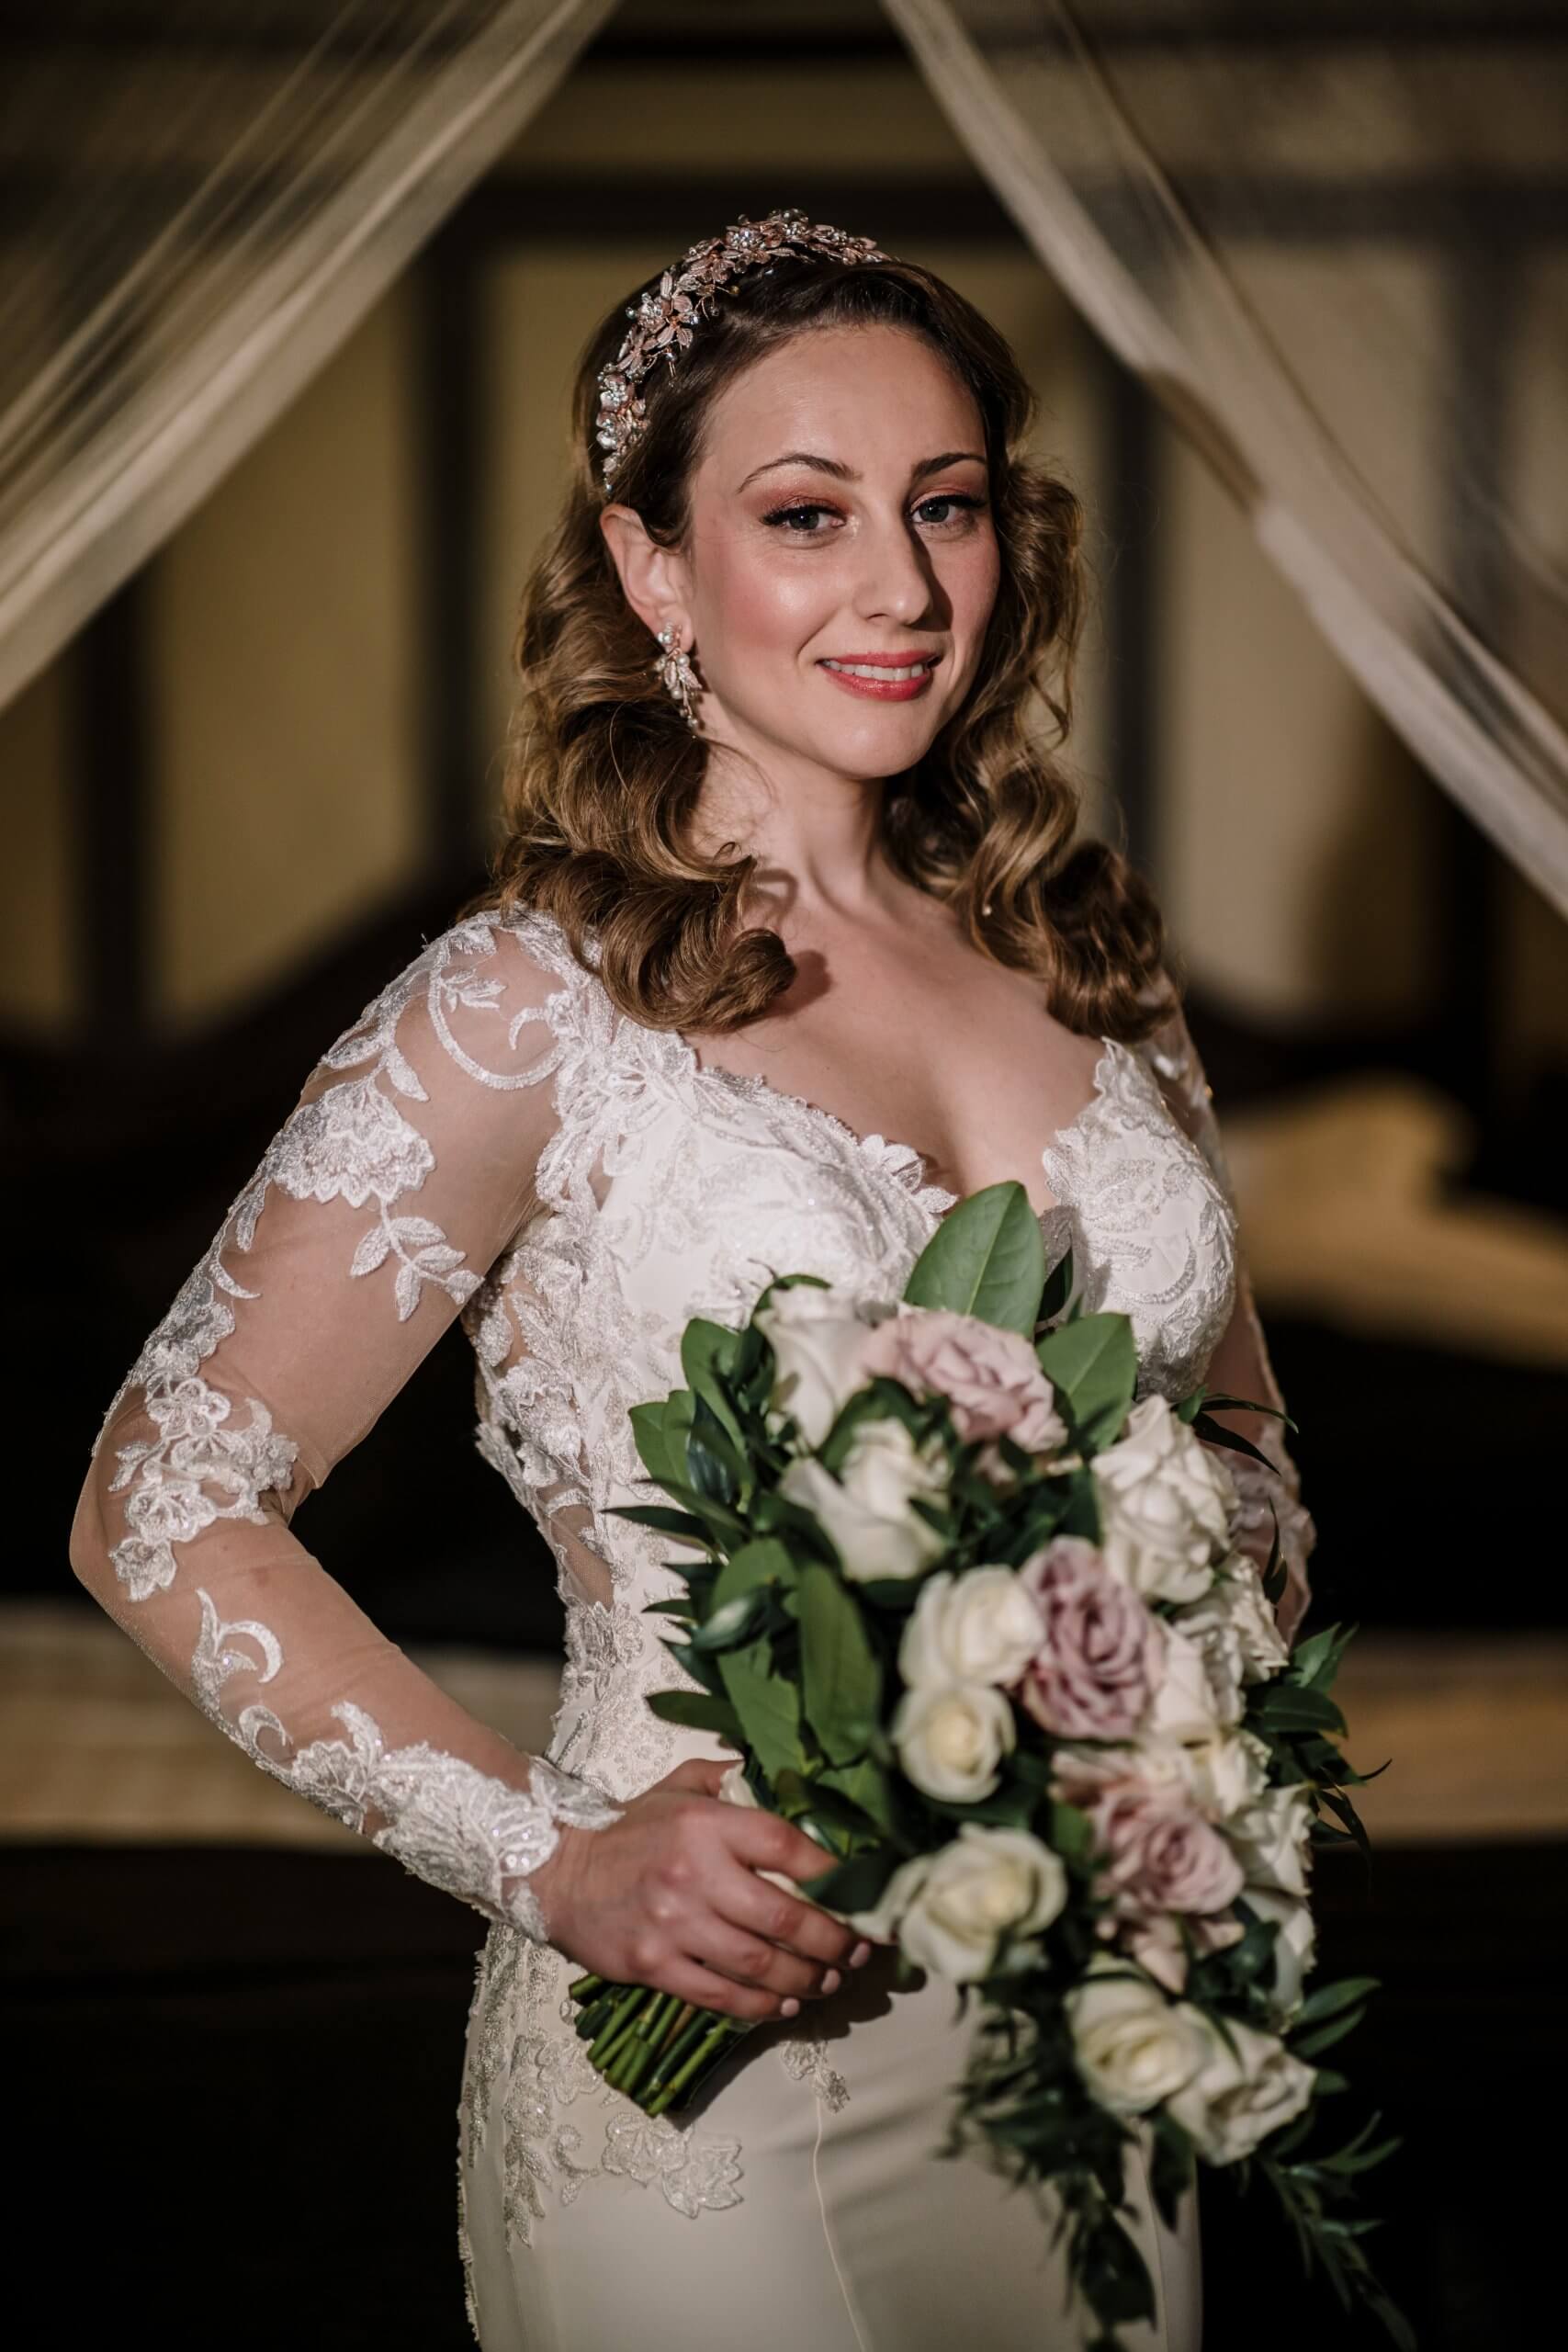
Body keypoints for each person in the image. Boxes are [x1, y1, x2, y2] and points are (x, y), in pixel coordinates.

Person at [69, 209, 1315, 2351]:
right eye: (802, 512)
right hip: (709, 2045)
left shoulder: (1093, 969)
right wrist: (550, 1857)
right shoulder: (523, 1006)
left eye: (944, 507)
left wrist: (1199, 1590)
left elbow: (1235, 1431)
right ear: (650, 570)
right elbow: (155, 1498)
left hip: (1074, 2031)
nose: (901, 586)